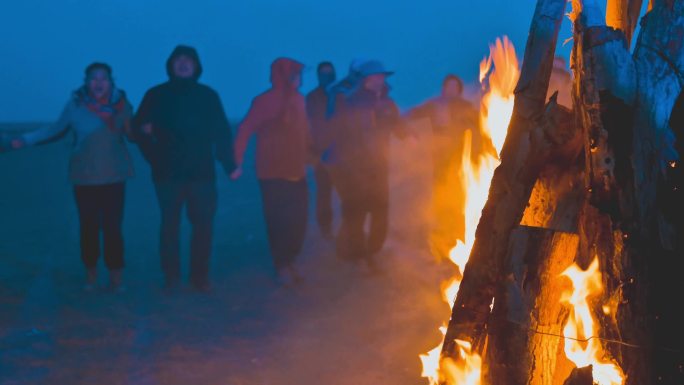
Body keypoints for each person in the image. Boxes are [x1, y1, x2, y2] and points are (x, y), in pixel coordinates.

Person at [8, 62, 134, 291]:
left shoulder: (122, 105)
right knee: (88, 227)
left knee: (113, 229)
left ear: (111, 81)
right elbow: (54, 130)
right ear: (86, 81)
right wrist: (24, 140)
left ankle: (117, 278)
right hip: (84, 177)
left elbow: (133, 133)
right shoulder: (75, 105)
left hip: (114, 176)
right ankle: (91, 276)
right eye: (93, 78)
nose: (98, 82)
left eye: (103, 78)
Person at [132, 45, 235, 293]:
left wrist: (229, 164)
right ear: (170, 65)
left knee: (203, 227)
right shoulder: (156, 95)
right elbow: (137, 130)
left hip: (202, 174)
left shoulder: (208, 96)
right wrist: (154, 157)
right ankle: (171, 277)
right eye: (178, 60)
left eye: (188, 60)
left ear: (196, 65)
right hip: (167, 175)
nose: (183, 63)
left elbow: (221, 133)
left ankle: (200, 277)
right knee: (170, 227)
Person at [320, 60, 407, 271]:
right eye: (376, 76)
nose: (380, 79)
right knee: (355, 213)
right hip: (355, 168)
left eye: (382, 76)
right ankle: (359, 256)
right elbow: (344, 132)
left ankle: (371, 252)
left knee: (380, 212)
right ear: (366, 79)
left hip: (379, 167)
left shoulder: (387, 103)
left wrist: (408, 135)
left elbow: (397, 126)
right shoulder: (351, 102)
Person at [232, 57, 311, 285]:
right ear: (284, 75)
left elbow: (305, 133)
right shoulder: (264, 101)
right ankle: (282, 265)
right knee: (278, 222)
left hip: (297, 171)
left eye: (300, 74)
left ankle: (291, 259)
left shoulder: (299, 100)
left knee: (298, 221)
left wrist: (315, 156)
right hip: (272, 174)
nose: (299, 78)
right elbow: (245, 130)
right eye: (295, 74)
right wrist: (237, 160)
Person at [406, 74, 479, 262]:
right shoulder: (434, 105)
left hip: (459, 158)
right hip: (439, 157)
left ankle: (456, 230)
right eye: (449, 87)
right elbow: (411, 115)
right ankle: (437, 233)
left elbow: (479, 126)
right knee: (439, 192)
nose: (452, 90)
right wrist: (411, 135)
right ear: (444, 88)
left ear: (459, 90)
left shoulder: (465, 107)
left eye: (455, 87)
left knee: (458, 194)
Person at [306, 61, 337, 239]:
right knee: (324, 193)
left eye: (330, 73)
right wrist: (313, 152)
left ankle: (348, 229)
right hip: (322, 154)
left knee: (346, 191)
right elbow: (310, 124)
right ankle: (326, 231)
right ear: (319, 76)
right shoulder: (312, 98)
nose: (328, 77)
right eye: (324, 74)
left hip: (343, 153)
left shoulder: (341, 94)